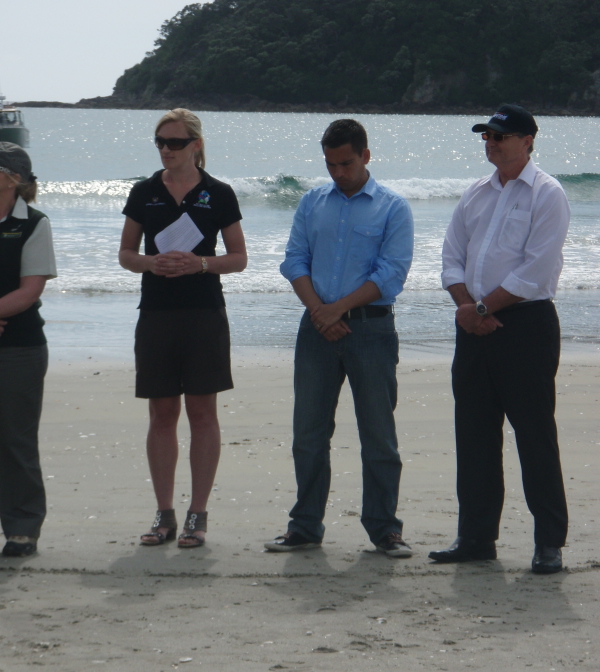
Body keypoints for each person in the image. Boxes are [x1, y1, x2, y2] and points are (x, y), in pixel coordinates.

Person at [430, 104, 570, 574]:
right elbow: (451, 258)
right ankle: (475, 537)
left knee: (534, 434)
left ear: (527, 141)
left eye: (499, 136)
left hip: (525, 326)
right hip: (472, 326)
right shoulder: (475, 193)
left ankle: (548, 542)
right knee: (474, 434)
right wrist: (468, 309)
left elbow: (536, 270)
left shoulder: (547, 194)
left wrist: (482, 309)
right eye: (486, 136)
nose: (490, 142)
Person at [264, 119, 414, 556]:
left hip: (371, 328)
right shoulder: (312, 202)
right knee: (308, 434)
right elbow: (294, 260)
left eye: (346, 163)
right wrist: (320, 311)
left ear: (366, 156)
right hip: (316, 328)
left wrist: (337, 308)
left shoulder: (393, 207)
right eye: (330, 164)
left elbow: (391, 274)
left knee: (378, 435)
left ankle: (384, 529)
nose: (338, 172)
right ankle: (305, 526)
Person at [119, 109, 247, 549]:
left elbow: (239, 258)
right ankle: (164, 513)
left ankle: (198, 514)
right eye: (160, 142)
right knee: (161, 415)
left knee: (202, 414)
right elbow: (125, 254)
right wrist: (150, 263)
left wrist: (201, 264)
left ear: (196, 145)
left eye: (175, 142)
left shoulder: (219, 193)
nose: (166, 150)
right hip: (156, 314)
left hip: (204, 314)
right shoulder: (145, 192)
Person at [0, 142, 57, 557]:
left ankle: (22, 529)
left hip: (19, 349)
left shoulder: (34, 224)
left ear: (12, 180)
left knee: (15, 440)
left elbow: (30, 290)